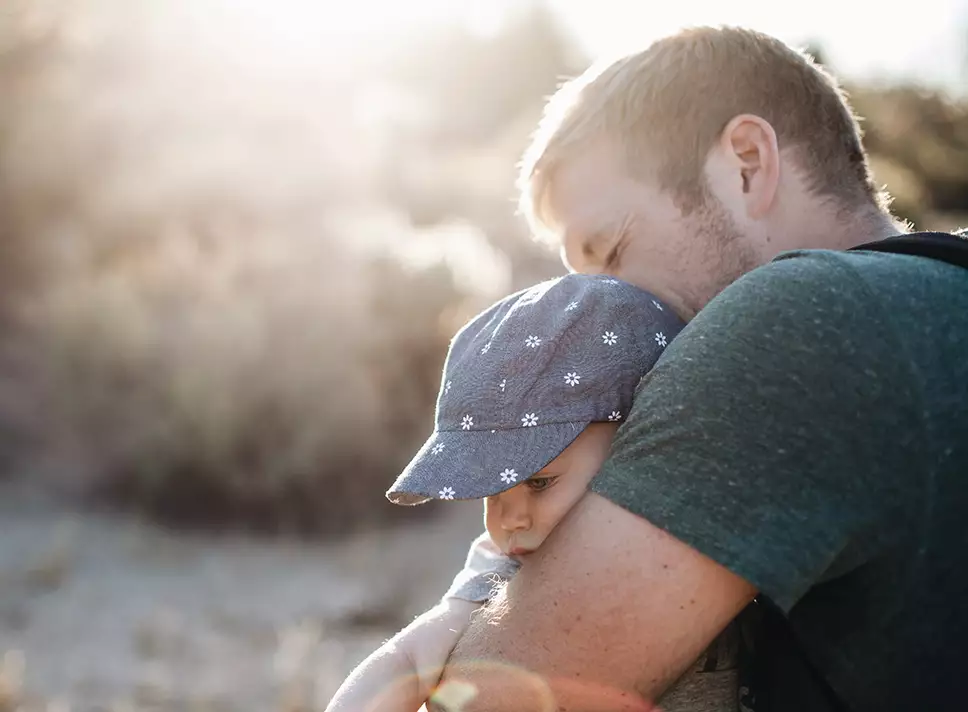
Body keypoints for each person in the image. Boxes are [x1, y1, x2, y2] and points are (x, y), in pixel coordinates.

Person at [431, 25, 968, 712]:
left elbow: (492, 701)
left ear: (746, 162)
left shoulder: (794, 320)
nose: (597, 310)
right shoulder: (936, 297)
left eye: (611, 251)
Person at [325, 273, 746, 712]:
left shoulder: (708, 521)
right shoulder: (504, 568)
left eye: (539, 482)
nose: (510, 519)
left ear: (636, 442)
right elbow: (410, 657)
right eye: (491, 492)